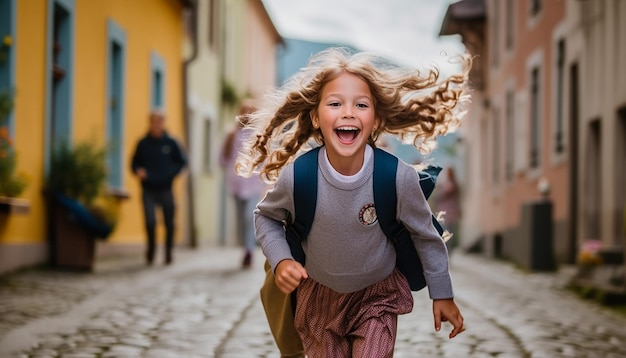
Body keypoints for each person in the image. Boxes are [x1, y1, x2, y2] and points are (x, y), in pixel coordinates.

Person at [237, 48, 470, 357]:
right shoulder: (299, 177)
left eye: (361, 105)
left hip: (377, 297)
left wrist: (443, 294)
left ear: (374, 122)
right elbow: (266, 217)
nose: (348, 112)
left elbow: (426, 236)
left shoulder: (397, 178)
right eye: (335, 104)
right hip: (318, 300)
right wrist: (282, 260)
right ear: (316, 118)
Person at [131, 111, 186, 266]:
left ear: (163, 123)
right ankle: (151, 250)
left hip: (166, 189)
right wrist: (138, 170)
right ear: (150, 123)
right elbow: (134, 163)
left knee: (169, 222)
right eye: (153, 121)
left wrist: (171, 174)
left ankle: (168, 251)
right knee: (150, 221)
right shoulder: (143, 143)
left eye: (159, 121)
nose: (156, 124)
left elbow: (181, 162)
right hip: (148, 189)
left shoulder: (170, 143)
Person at [219, 101, 265, 268]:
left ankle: (248, 251)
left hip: (252, 184)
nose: (247, 115)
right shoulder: (231, 134)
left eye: (250, 112)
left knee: (248, 217)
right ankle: (245, 247)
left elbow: (264, 160)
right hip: (236, 184)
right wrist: (232, 168)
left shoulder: (259, 135)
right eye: (244, 112)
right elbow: (222, 158)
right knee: (240, 219)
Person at [436, 166, 462, 250]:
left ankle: (447, 252)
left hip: (450, 213)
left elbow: (444, 195)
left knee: (448, 234)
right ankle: (445, 251)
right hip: (445, 212)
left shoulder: (452, 185)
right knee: (445, 234)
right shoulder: (446, 184)